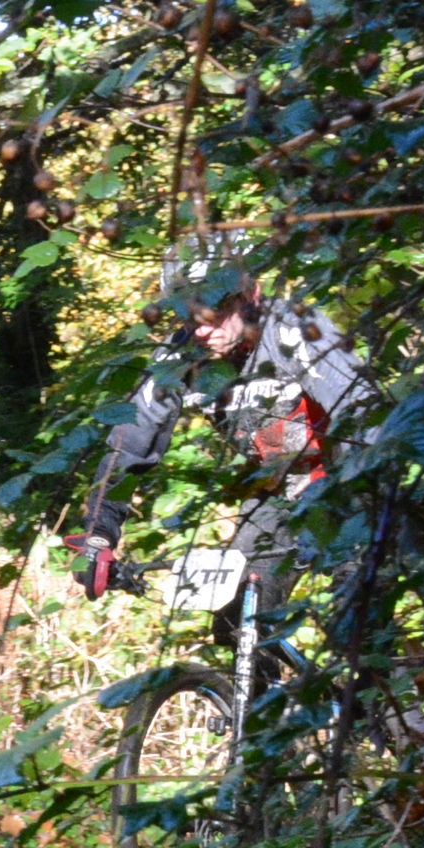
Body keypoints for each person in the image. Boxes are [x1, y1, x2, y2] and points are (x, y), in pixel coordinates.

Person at [70, 264, 374, 634]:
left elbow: (363, 411)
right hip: (276, 493)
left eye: (214, 313)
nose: (201, 330)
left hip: (348, 482)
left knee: (355, 617)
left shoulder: (292, 328)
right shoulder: (180, 355)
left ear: (250, 296)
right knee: (237, 626)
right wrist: (99, 533)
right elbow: (130, 443)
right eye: (189, 316)